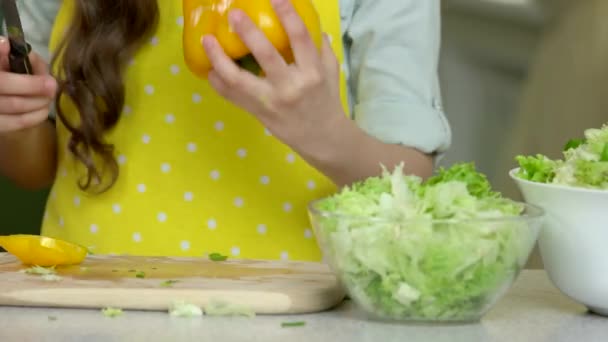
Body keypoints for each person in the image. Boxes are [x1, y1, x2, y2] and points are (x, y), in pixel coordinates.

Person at [0, 0, 450, 260]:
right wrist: (17, 118)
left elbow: (413, 183)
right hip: (85, 308)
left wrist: (325, 134)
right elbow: (36, 169)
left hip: (299, 314)